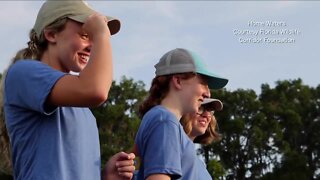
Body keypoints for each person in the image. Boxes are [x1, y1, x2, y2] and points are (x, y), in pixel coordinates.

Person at [1, 1, 135, 179]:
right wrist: (102, 34)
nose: (93, 45)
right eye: (85, 35)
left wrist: (105, 176)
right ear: (51, 34)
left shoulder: (85, 113)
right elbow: (96, 90)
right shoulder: (23, 72)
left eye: (94, 38)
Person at [134, 48, 228, 179]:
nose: (208, 93)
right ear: (178, 81)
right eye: (202, 83)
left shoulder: (160, 119)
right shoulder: (165, 120)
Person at [180, 98, 223, 179]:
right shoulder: (169, 150)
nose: (206, 115)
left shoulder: (200, 165)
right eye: (200, 108)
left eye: (210, 110)